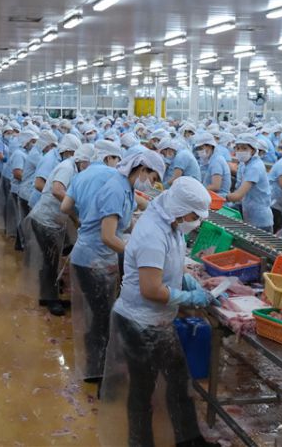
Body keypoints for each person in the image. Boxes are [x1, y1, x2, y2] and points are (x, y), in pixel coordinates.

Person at [101, 176, 217, 447]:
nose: (195, 221)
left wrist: (183, 279)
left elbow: (168, 266)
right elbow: (150, 289)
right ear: (180, 208)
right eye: (193, 215)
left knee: (178, 382)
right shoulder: (153, 232)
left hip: (157, 321)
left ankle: (189, 440)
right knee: (142, 390)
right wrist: (189, 297)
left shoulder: (171, 223)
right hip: (139, 322)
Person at [61, 149, 165, 383]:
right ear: (142, 169)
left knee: (100, 316)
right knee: (100, 318)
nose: (151, 183)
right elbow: (108, 236)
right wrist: (137, 255)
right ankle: (97, 372)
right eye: (153, 178)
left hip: (98, 258)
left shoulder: (124, 187)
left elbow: (119, 225)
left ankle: (98, 367)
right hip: (92, 260)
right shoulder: (116, 189)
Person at [24, 143, 94, 316]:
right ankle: (52, 300)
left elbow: (67, 205)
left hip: (51, 220)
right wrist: (78, 203)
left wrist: (77, 218)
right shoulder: (67, 167)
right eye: (89, 164)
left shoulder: (75, 170)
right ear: (82, 160)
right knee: (51, 262)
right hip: (45, 220)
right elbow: (57, 190)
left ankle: (46, 295)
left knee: (50, 261)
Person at [226, 134, 273, 231]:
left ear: (253, 150)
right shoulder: (246, 164)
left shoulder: (255, 167)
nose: (240, 151)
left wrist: (222, 197)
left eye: (244, 148)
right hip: (250, 216)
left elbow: (238, 196)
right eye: (238, 148)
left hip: (260, 221)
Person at [194, 132, 230, 198]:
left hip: (218, 199)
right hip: (210, 196)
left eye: (201, 148)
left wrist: (197, 190)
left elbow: (216, 186)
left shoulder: (216, 161)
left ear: (210, 146)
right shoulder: (208, 160)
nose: (199, 151)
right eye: (198, 149)